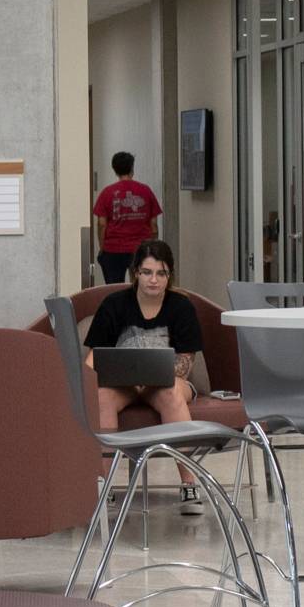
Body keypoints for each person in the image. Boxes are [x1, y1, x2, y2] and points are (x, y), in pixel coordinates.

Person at [81, 239, 202, 431]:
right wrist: (83, 383)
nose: (153, 280)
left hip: (168, 383)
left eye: (161, 273)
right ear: (136, 272)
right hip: (121, 386)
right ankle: (103, 461)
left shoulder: (182, 307)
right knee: (101, 395)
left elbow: (185, 363)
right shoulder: (113, 305)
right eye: (147, 272)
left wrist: (150, 380)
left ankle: (184, 461)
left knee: (171, 393)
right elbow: (95, 356)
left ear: (169, 275)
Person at [91, 151, 162, 284]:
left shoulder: (107, 193)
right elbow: (154, 225)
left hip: (113, 249)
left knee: (114, 289)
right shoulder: (145, 191)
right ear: (132, 168)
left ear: (115, 170)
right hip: (140, 248)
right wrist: (152, 246)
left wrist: (102, 247)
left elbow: (101, 224)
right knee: (141, 288)